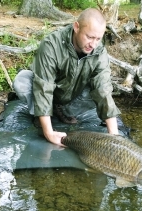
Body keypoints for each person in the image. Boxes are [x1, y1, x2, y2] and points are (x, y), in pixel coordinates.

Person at [13, 8, 121, 146]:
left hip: (72, 98)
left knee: (98, 89)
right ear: (76, 27)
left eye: (98, 39)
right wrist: (49, 133)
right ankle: (40, 115)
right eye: (89, 37)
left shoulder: (99, 52)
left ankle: (64, 111)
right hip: (50, 93)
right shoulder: (52, 44)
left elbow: (103, 90)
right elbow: (43, 87)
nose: (93, 44)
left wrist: (115, 137)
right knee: (22, 80)